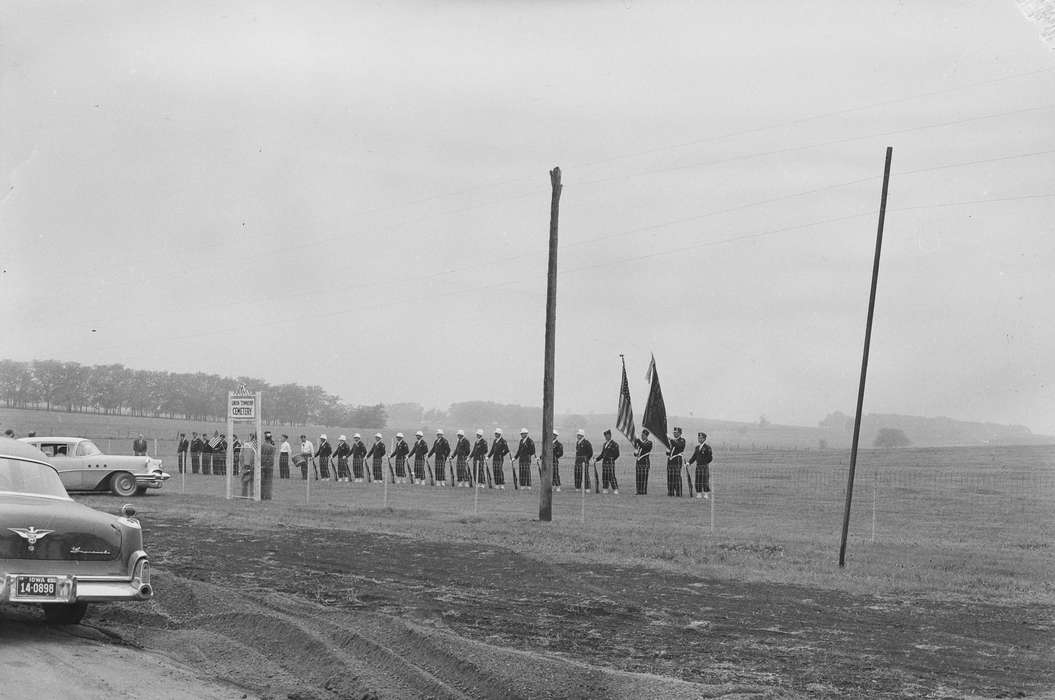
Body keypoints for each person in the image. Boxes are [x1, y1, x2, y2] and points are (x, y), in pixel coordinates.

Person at [688, 432, 713, 499]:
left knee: (705, 480)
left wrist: (704, 463)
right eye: (699, 438)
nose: (700, 439)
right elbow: (694, 457)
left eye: (701, 438)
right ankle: (699, 493)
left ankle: (706, 493)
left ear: (704, 439)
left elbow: (710, 458)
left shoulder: (707, 447)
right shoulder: (697, 447)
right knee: (698, 480)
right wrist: (689, 463)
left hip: (704, 466)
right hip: (698, 466)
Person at [595, 429, 620, 494]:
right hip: (604, 462)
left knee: (611, 476)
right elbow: (602, 454)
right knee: (605, 476)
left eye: (608, 435)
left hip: (610, 462)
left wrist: (611, 459)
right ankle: (605, 488)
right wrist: (596, 459)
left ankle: (615, 489)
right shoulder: (605, 444)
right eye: (605, 436)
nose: (606, 437)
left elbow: (617, 454)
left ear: (610, 435)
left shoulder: (614, 444)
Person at [666, 427, 687, 497]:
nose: (675, 434)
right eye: (674, 432)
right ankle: (670, 492)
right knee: (670, 476)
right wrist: (668, 451)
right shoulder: (673, 441)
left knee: (676, 476)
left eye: (676, 432)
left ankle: (679, 492)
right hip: (670, 460)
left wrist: (670, 439)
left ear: (680, 433)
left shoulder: (682, 440)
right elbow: (670, 451)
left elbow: (678, 446)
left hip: (677, 460)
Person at [633, 428, 654, 495]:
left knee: (644, 478)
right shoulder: (640, 443)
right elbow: (637, 452)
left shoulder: (649, 443)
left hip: (645, 462)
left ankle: (643, 491)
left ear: (646, 436)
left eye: (644, 435)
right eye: (642, 435)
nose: (642, 436)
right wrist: (635, 452)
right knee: (638, 477)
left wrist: (638, 440)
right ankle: (638, 491)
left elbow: (644, 447)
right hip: (639, 462)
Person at [260, 432, 276, 500]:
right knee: (268, 482)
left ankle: (261, 496)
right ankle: (268, 496)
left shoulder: (261, 446)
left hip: (261, 466)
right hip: (269, 467)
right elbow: (271, 459)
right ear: (270, 439)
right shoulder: (272, 447)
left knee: (262, 482)